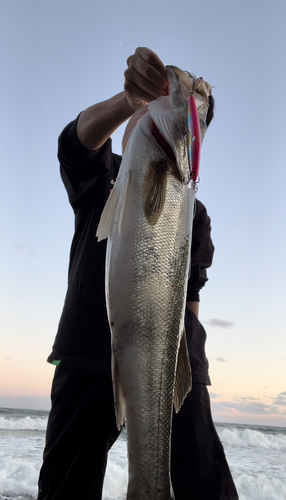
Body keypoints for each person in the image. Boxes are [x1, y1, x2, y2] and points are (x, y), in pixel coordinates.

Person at [37, 47, 238, 500]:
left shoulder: (195, 214)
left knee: (207, 487)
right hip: (86, 352)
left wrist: (193, 363)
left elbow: (192, 297)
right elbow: (74, 143)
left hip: (173, 362)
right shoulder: (101, 177)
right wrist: (129, 99)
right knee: (63, 488)